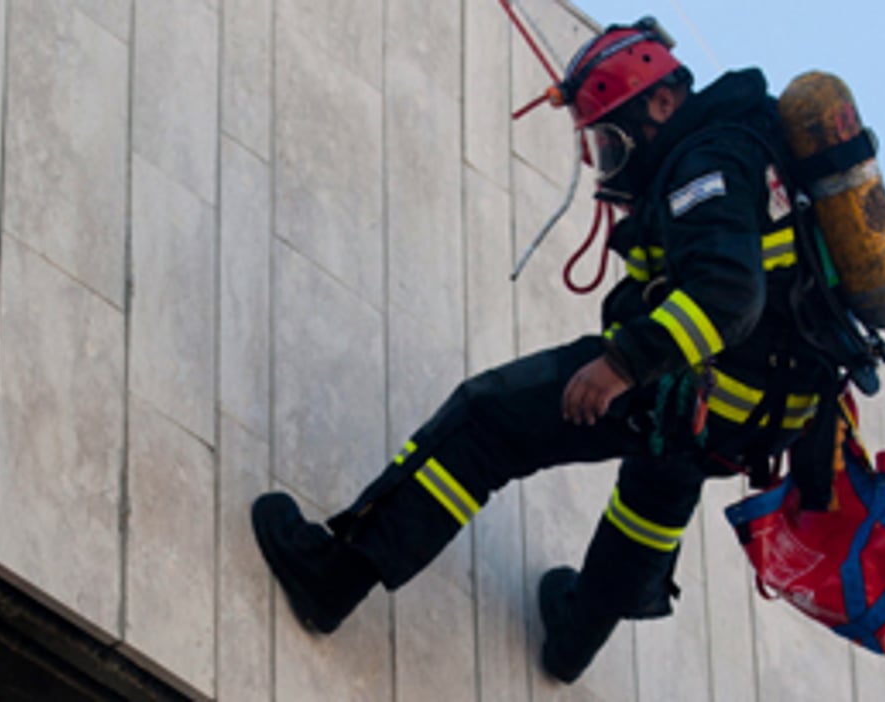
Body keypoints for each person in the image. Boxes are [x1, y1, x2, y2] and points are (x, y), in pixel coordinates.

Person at [252, 17, 846, 683]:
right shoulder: (748, 146)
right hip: (762, 415)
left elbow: (728, 297)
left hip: (699, 381)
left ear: (662, 101)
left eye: (615, 138)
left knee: (486, 425)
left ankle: (332, 579)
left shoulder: (702, 163)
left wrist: (622, 364)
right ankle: (573, 641)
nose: (606, 161)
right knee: (651, 501)